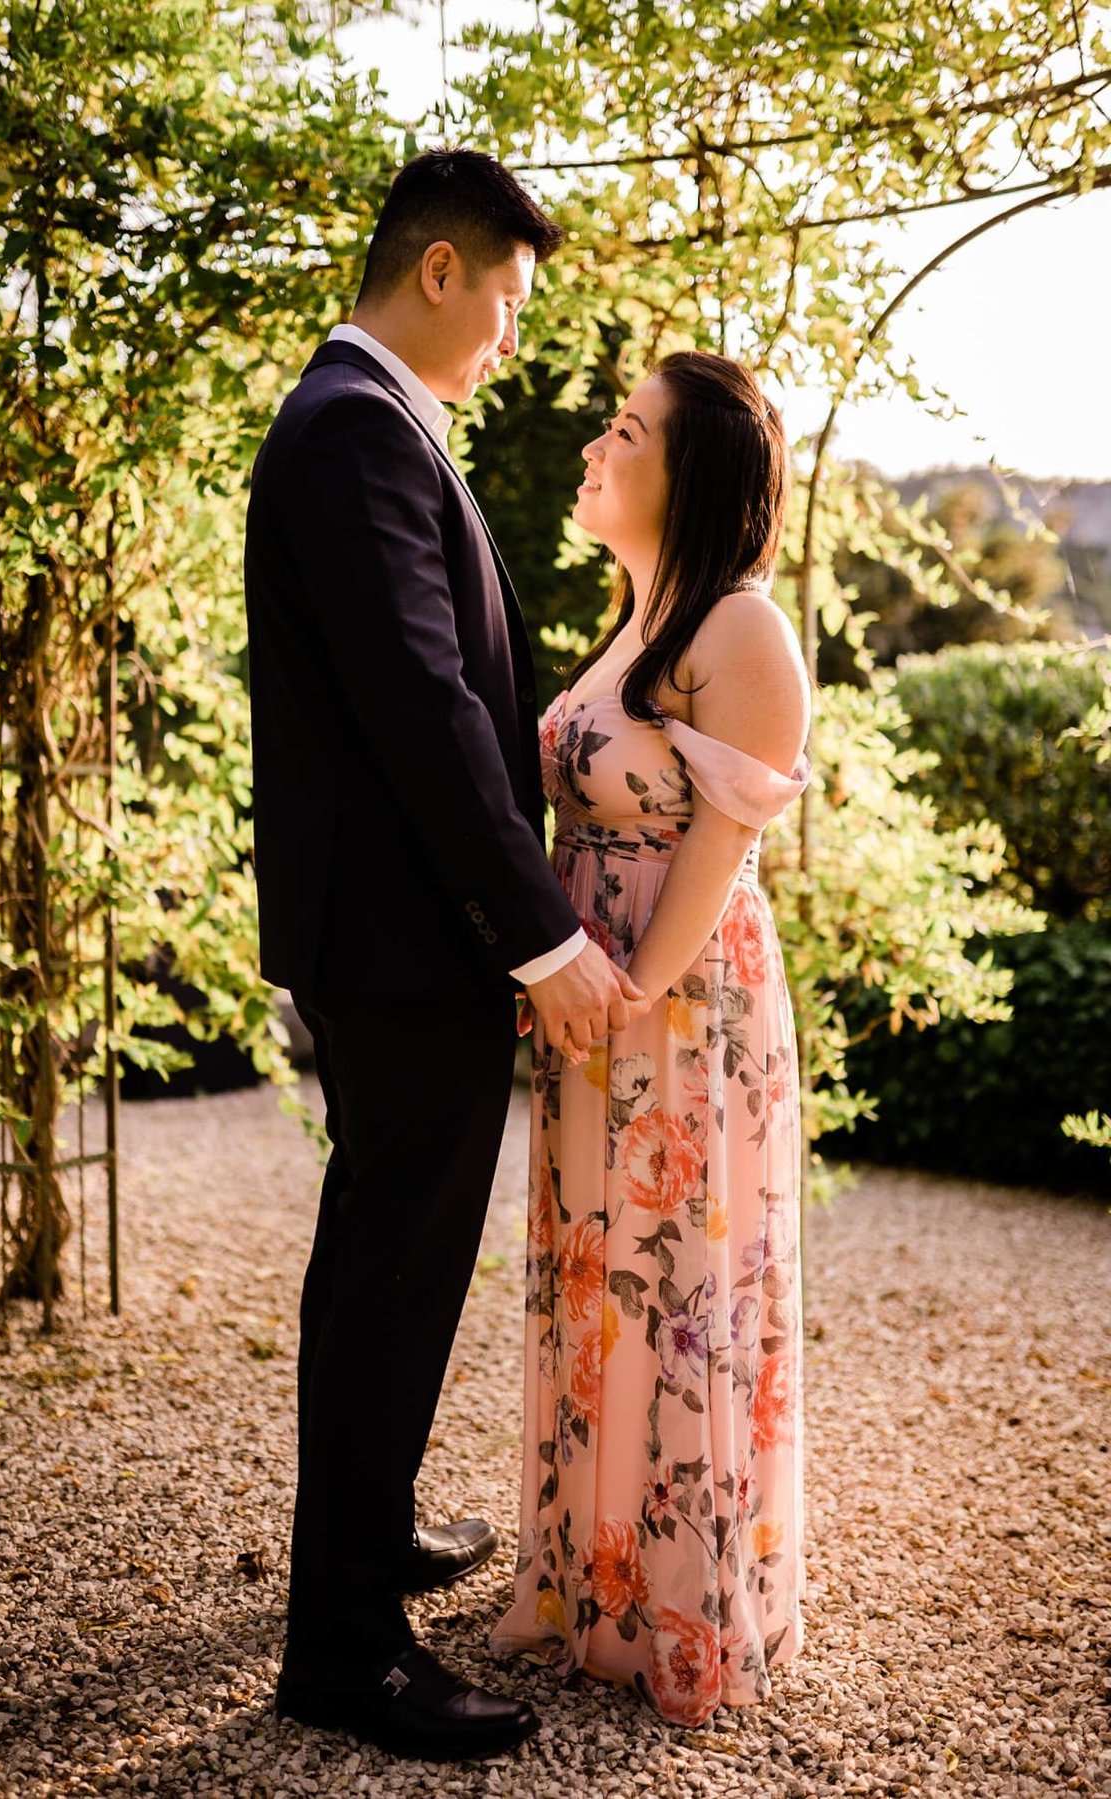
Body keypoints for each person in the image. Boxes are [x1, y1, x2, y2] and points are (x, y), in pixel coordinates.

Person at [243, 150, 648, 1762]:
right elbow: (422, 709)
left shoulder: (366, 424)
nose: (508, 340)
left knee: (376, 1265)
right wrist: (539, 936)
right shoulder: (356, 429)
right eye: (509, 301)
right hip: (412, 942)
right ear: (439, 272)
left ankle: (367, 1529)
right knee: (398, 1279)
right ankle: (342, 1653)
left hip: (390, 930)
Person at [490, 352, 812, 1726]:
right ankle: (589, 1583)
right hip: (598, 1005)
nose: (591, 449)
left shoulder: (740, 630)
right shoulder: (634, 621)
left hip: (676, 1014)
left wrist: (626, 1002)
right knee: (597, 1279)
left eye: (624, 431)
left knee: (675, 1294)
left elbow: (722, 850)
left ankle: (681, 1605)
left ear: (691, 475)